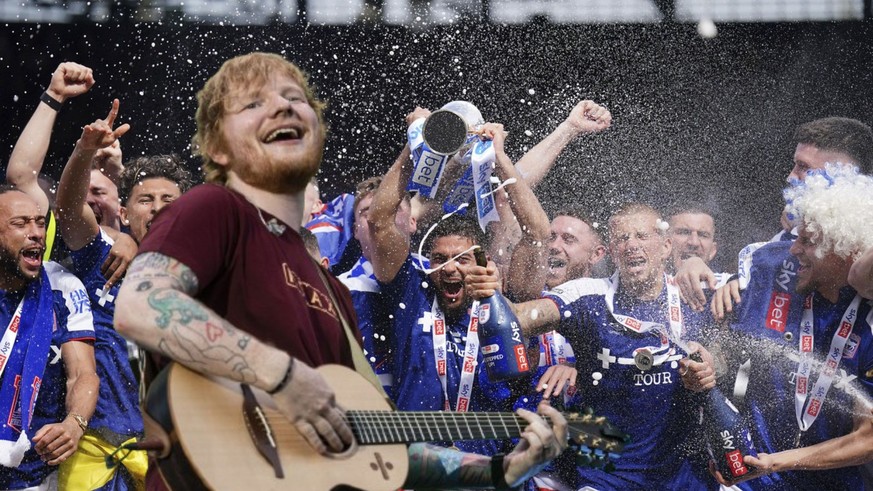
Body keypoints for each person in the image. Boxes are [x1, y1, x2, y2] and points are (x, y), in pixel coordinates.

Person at [113, 52, 567, 490]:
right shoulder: (213, 213)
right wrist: (282, 375)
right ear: (218, 145)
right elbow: (141, 307)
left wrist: (498, 470)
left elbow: (376, 443)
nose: (284, 115)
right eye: (256, 108)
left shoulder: (326, 289)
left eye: (296, 103)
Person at [467, 203, 710, 489]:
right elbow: (519, 318)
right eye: (622, 238)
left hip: (682, 476)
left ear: (666, 246)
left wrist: (711, 366)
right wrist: (492, 292)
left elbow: (727, 352)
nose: (632, 245)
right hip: (606, 476)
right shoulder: (586, 296)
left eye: (642, 236)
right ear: (612, 251)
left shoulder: (693, 291)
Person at [683, 164, 873, 489]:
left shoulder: (867, 316)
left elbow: (867, 438)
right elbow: (720, 341)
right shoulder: (773, 266)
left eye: (808, 241)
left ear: (845, 250)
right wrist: (706, 364)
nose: (794, 248)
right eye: (797, 236)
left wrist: (777, 462)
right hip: (751, 475)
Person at [0, 187, 100, 490]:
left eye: (40, 223)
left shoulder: (63, 287)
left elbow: (82, 374)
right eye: (20, 224)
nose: (35, 233)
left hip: (34, 475)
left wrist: (74, 423)